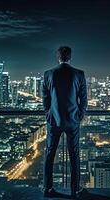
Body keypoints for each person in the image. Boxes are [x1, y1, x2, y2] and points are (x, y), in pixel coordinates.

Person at [42, 46, 88, 199]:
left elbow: (45, 97)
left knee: (50, 154)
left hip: (54, 120)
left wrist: (48, 113)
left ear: (58, 57)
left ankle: (47, 189)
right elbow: (84, 98)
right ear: (70, 57)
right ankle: (75, 190)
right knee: (74, 155)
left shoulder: (48, 74)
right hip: (73, 120)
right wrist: (80, 115)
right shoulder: (79, 74)